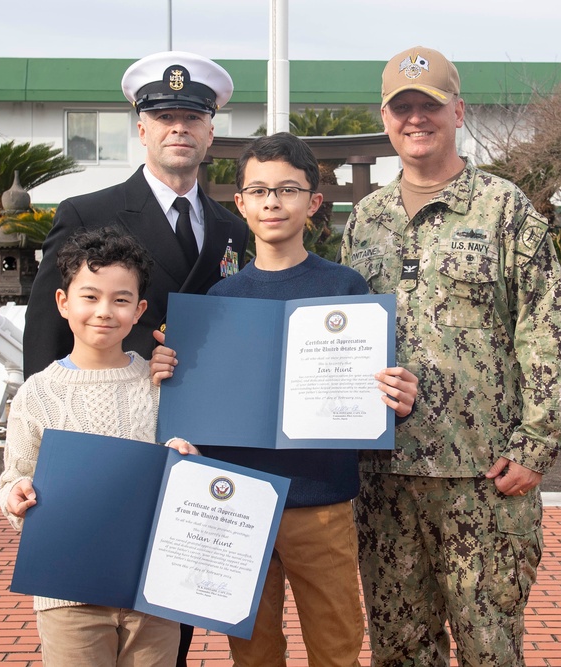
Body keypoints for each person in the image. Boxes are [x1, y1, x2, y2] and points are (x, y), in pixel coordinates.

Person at [339, 47, 561, 667]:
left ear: (458, 111)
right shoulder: (365, 221)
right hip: (384, 477)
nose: (416, 119)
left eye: (430, 106)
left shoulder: (505, 209)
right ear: (386, 117)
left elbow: (549, 331)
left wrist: (535, 446)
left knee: (490, 649)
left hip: (483, 479)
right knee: (399, 649)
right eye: (403, 108)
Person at [150, 132, 419, 667]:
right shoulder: (218, 300)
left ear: (313, 203)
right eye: (260, 191)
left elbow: (376, 386)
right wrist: (170, 372)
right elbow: (198, 399)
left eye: (288, 190)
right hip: (236, 500)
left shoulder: (346, 288)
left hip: (321, 500)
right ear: (242, 203)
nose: (273, 202)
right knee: (251, 647)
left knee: (336, 641)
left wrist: (396, 394)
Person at [0, 227, 188, 666]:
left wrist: (187, 460)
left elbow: (184, 469)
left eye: (121, 300)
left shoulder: (161, 386)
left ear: (140, 309)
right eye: (90, 297)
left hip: (151, 588)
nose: (104, 311)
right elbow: (16, 474)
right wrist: (15, 496)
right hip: (68, 590)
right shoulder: (38, 393)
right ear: (63, 302)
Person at [23, 50, 250, 377]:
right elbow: (46, 325)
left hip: (203, 395)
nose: (179, 129)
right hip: (113, 396)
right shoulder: (86, 214)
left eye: (192, 118)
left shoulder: (231, 228)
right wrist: (45, 406)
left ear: (209, 133)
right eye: (165, 118)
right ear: (143, 132)